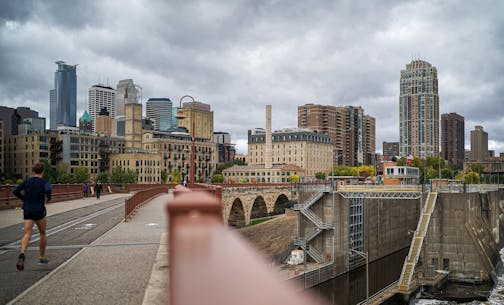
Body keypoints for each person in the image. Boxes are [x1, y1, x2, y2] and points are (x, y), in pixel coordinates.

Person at [12, 162, 52, 271]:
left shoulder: (27, 181)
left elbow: (15, 191)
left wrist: (24, 199)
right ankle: (42, 257)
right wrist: (48, 198)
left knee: (27, 233)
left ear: (33, 171)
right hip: (39, 210)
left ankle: (22, 253)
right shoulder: (45, 182)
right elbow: (48, 190)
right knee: (42, 233)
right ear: (43, 171)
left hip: (27, 210)